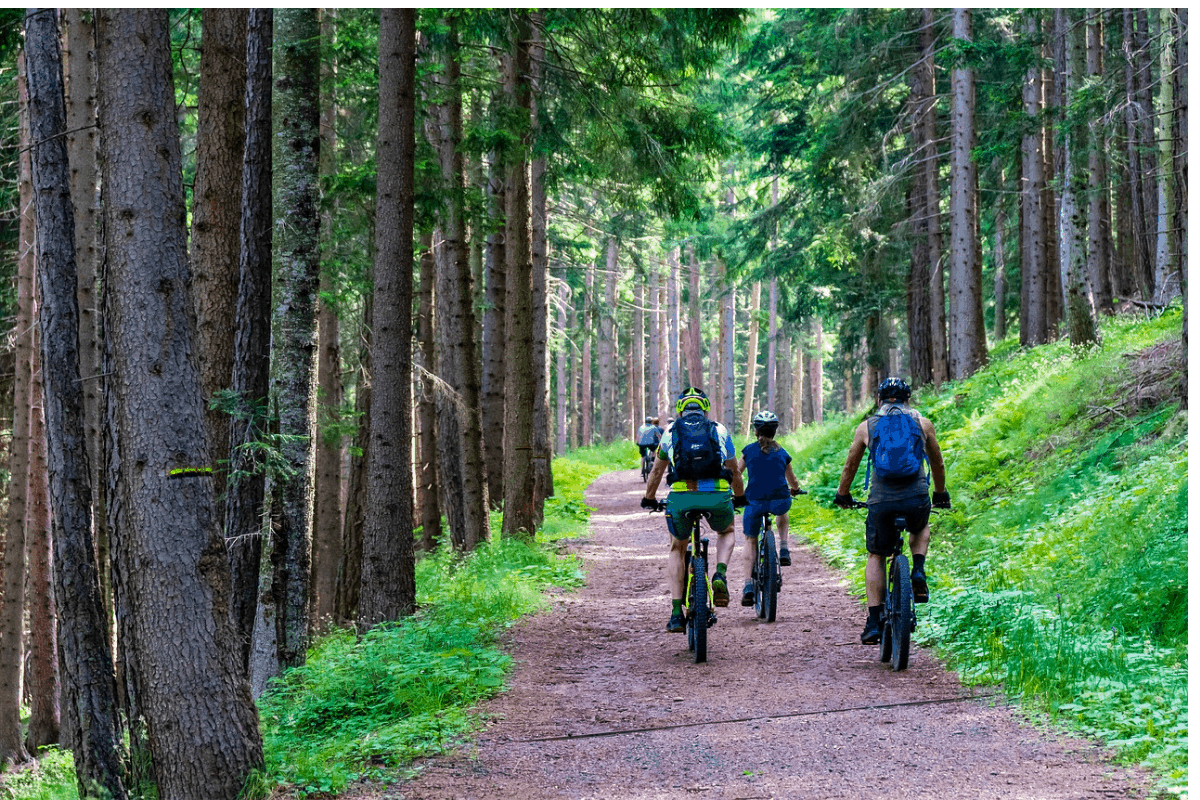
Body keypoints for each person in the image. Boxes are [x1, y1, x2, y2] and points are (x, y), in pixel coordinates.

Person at [834, 377, 951, 645]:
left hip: (882, 502)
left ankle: (874, 620)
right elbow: (938, 463)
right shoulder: (923, 424)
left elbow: (850, 466)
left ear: (879, 400)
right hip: (916, 498)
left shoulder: (867, 427)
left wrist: (843, 494)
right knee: (920, 526)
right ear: (909, 399)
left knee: (876, 554)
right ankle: (918, 569)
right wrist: (940, 494)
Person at [642, 387, 747, 633]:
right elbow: (734, 470)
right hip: (717, 497)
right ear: (705, 407)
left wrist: (649, 498)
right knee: (727, 531)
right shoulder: (719, 430)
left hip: (682, 498)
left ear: (680, 409)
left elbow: (657, 471)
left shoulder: (670, 431)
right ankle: (720, 574)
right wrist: (740, 497)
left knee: (677, 547)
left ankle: (677, 613)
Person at [737, 410, 803, 607]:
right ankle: (783, 547)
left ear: (756, 430)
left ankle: (748, 584)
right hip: (780, 500)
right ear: (775, 431)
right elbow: (792, 479)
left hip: (754, 502)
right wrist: (796, 489)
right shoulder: (782, 452)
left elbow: (737, 474)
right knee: (783, 510)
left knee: (750, 540)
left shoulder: (748, 450)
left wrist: (736, 494)